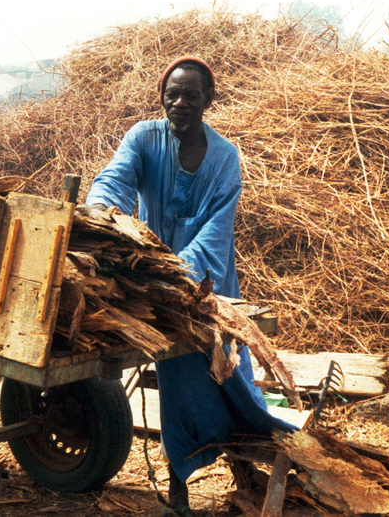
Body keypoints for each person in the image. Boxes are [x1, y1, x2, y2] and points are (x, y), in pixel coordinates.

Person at [86, 57, 297, 516]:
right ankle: (179, 488)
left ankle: (251, 463)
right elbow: (116, 178)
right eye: (173, 94)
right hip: (156, 280)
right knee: (177, 376)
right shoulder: (144, 137)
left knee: (230, 371)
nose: (180, 103)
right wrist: (103, 213)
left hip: (207, 280)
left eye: (192, 95)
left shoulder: (224, 156)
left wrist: (180, 272)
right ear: (162, 95)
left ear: (209, 100)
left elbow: (218, 229)